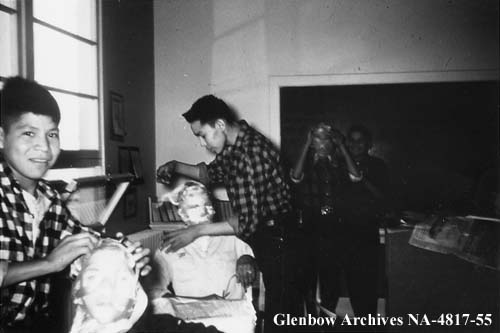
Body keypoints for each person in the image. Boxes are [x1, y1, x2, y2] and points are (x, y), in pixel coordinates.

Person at [0, 77, 150, 332]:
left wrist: (126, 254)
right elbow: (55, 261)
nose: (43, 147)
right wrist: (50, 263)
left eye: (52, 134)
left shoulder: (50, 200)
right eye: (28, 133)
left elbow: (89, 240)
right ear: (2, 138)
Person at [156, 95, 295, 331]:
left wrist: (196, 231)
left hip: (279, 240)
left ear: (220, 124)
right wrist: (176, 166)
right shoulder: (235, 146)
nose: (203, 143)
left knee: (278, 318)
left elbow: (247, 224)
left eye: (202, 135)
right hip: (269, 234)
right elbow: (209, 174)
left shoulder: (250, 155)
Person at [290, 123, 389, 318]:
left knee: (361, 289)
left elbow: (361, 181)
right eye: (350, 141)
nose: (355, 145)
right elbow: (296, 178)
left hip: (359, 234)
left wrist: (342, 148)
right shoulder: (324, 162)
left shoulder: (355, 164)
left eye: (360, 141)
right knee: (325, 287)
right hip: (327, 233)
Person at [150, 180, 257, 300]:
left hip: (233, 313)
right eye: (195, 207)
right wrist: (198, 303)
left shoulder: (232, 237)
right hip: (189, 315)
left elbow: (252, 252)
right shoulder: (170, 247)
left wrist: (247, 259)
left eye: (207, 205)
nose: (204, 211)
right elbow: (154, 289)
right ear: (182, 214)